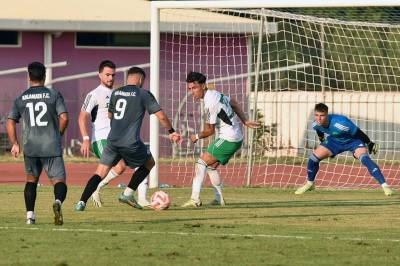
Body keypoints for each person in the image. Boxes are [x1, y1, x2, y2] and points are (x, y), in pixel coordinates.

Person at [75, 67, 181, 211]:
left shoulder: (116, 93)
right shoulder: (144, 94)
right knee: (149, 162)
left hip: (112, 141)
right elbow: (161, 116)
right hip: (130, 142)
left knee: (99, 173)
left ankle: (81, 201)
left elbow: (111, 116)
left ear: (128, 78)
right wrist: (171, 131)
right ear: (141, 79)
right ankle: (128, 193)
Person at [181, 72, 260, 208]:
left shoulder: (210, 102)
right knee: (211, 167)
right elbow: (234, 103)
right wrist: (245, 121)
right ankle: (219, 199)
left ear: (203, 86)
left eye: (194, 88)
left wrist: (196, 137)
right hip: (234, 137)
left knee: (200, 163)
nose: (192, 92)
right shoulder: (215, 93)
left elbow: (209, 131)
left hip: (228, 138)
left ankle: (195, 199)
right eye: (189, 89)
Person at [78, 60, 150, 207]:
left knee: (124, 166)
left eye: (113, 75)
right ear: (99, 75)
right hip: (101, 139)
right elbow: (82, 116)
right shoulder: (94, 94)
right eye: (107, 75)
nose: (110, 78)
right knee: (126, 164)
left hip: (118, 138)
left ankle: (100, 189)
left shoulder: (118, 93)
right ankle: (137, 197)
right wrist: (85, 139)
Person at [7, 62, 69, 225]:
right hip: (50, 145)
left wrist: (15, 143)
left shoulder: (21, 97)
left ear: (29, 77)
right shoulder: (54, 95)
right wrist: (59, 134)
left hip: (31, 146)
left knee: (31, 180)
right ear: (44, 76)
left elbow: (10, 122)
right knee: (59, 181)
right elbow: (64, 117)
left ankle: (30, 216)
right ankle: (57, 202)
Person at [295, 103, 393, 196]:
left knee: (364, 159)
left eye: (322, 115)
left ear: (327, 115)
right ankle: (310, 184)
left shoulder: (341, 123)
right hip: (335, 141)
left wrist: (369, 143)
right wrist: (323, 141)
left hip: (353, 141)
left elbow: (358, 133)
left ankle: (385, 186)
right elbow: (320, 131)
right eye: (316, 115)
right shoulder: (315, 124)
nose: (319, 118)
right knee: (313, 158)